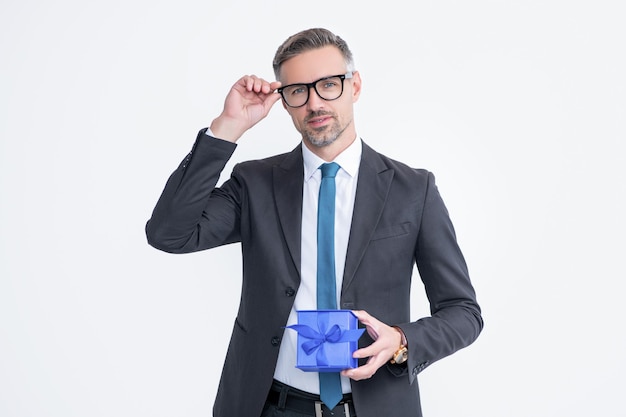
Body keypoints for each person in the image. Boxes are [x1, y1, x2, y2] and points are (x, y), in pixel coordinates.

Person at [146, 27, 483, 417]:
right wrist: (227, 127)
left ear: (354, 86)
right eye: (298, 91)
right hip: (268, 405)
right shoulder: (255, 184)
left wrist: (402, 339)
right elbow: (169, 233)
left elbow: (463, 311)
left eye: (328, 85)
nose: (314, 103)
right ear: (284, 102)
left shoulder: (414, 190)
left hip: (374, 407)